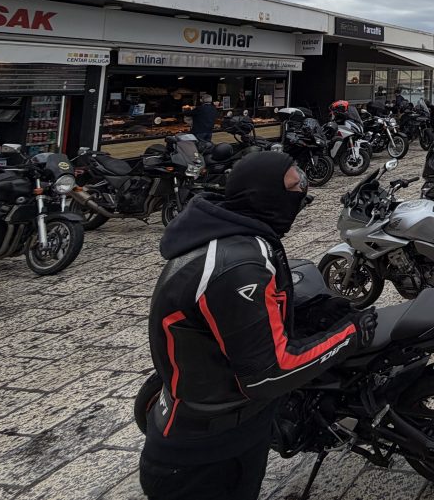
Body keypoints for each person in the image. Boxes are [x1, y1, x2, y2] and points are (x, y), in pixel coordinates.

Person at [139, 152, 376, 500]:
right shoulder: (238, 265)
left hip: (228, 429)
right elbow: (269, 372)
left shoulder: (233, 234)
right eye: (295, 189)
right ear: (262, 195)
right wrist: (350, 335)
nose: (302, 197)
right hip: (205, 457)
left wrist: (306, 310)